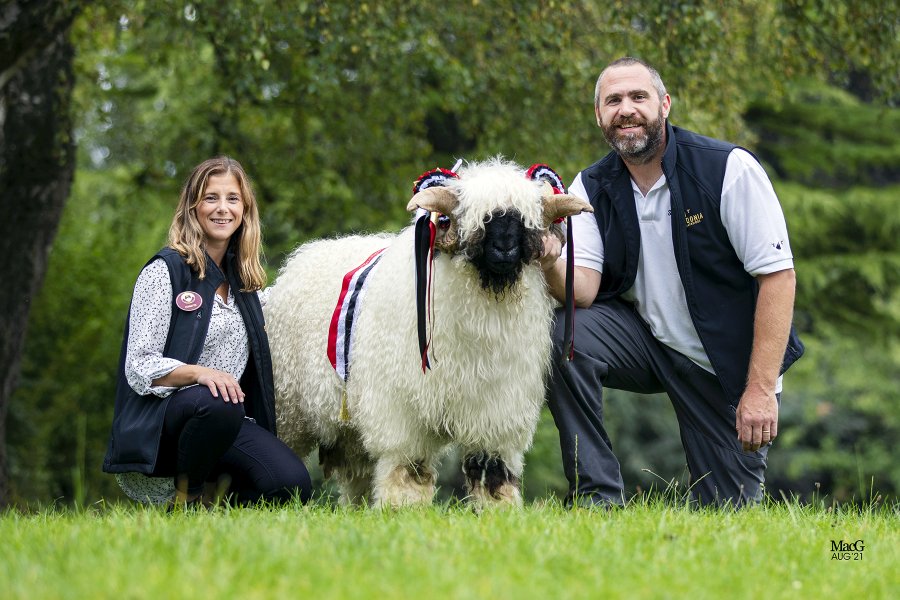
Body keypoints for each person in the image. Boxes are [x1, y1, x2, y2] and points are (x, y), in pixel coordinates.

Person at [540, 57, 804, 507]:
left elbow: (778, 277)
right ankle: (597, 499)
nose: (626, 109)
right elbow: (581, 289)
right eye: (613, 100)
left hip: (719, 368)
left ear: (664, 105)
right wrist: (547, 260)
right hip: (647, 342)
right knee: (560, 333)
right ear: (600, 116)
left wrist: (759, 390)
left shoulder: (728, 168)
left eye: (638, 97)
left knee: (729, 514)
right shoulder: (589, 185)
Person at [103, 156, 312, 507]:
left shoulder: (247, 288)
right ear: (192, 207)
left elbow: (294, 302)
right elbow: (138, 366)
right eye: (211, 197)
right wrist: (200, 374)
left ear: (245, 210)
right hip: (166, 420)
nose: (222, 209)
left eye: (232, 199)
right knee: (217, 400)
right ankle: (189, 499)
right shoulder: (164, 271)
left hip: (225, 419)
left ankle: (223, 507)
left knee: (290, 486)